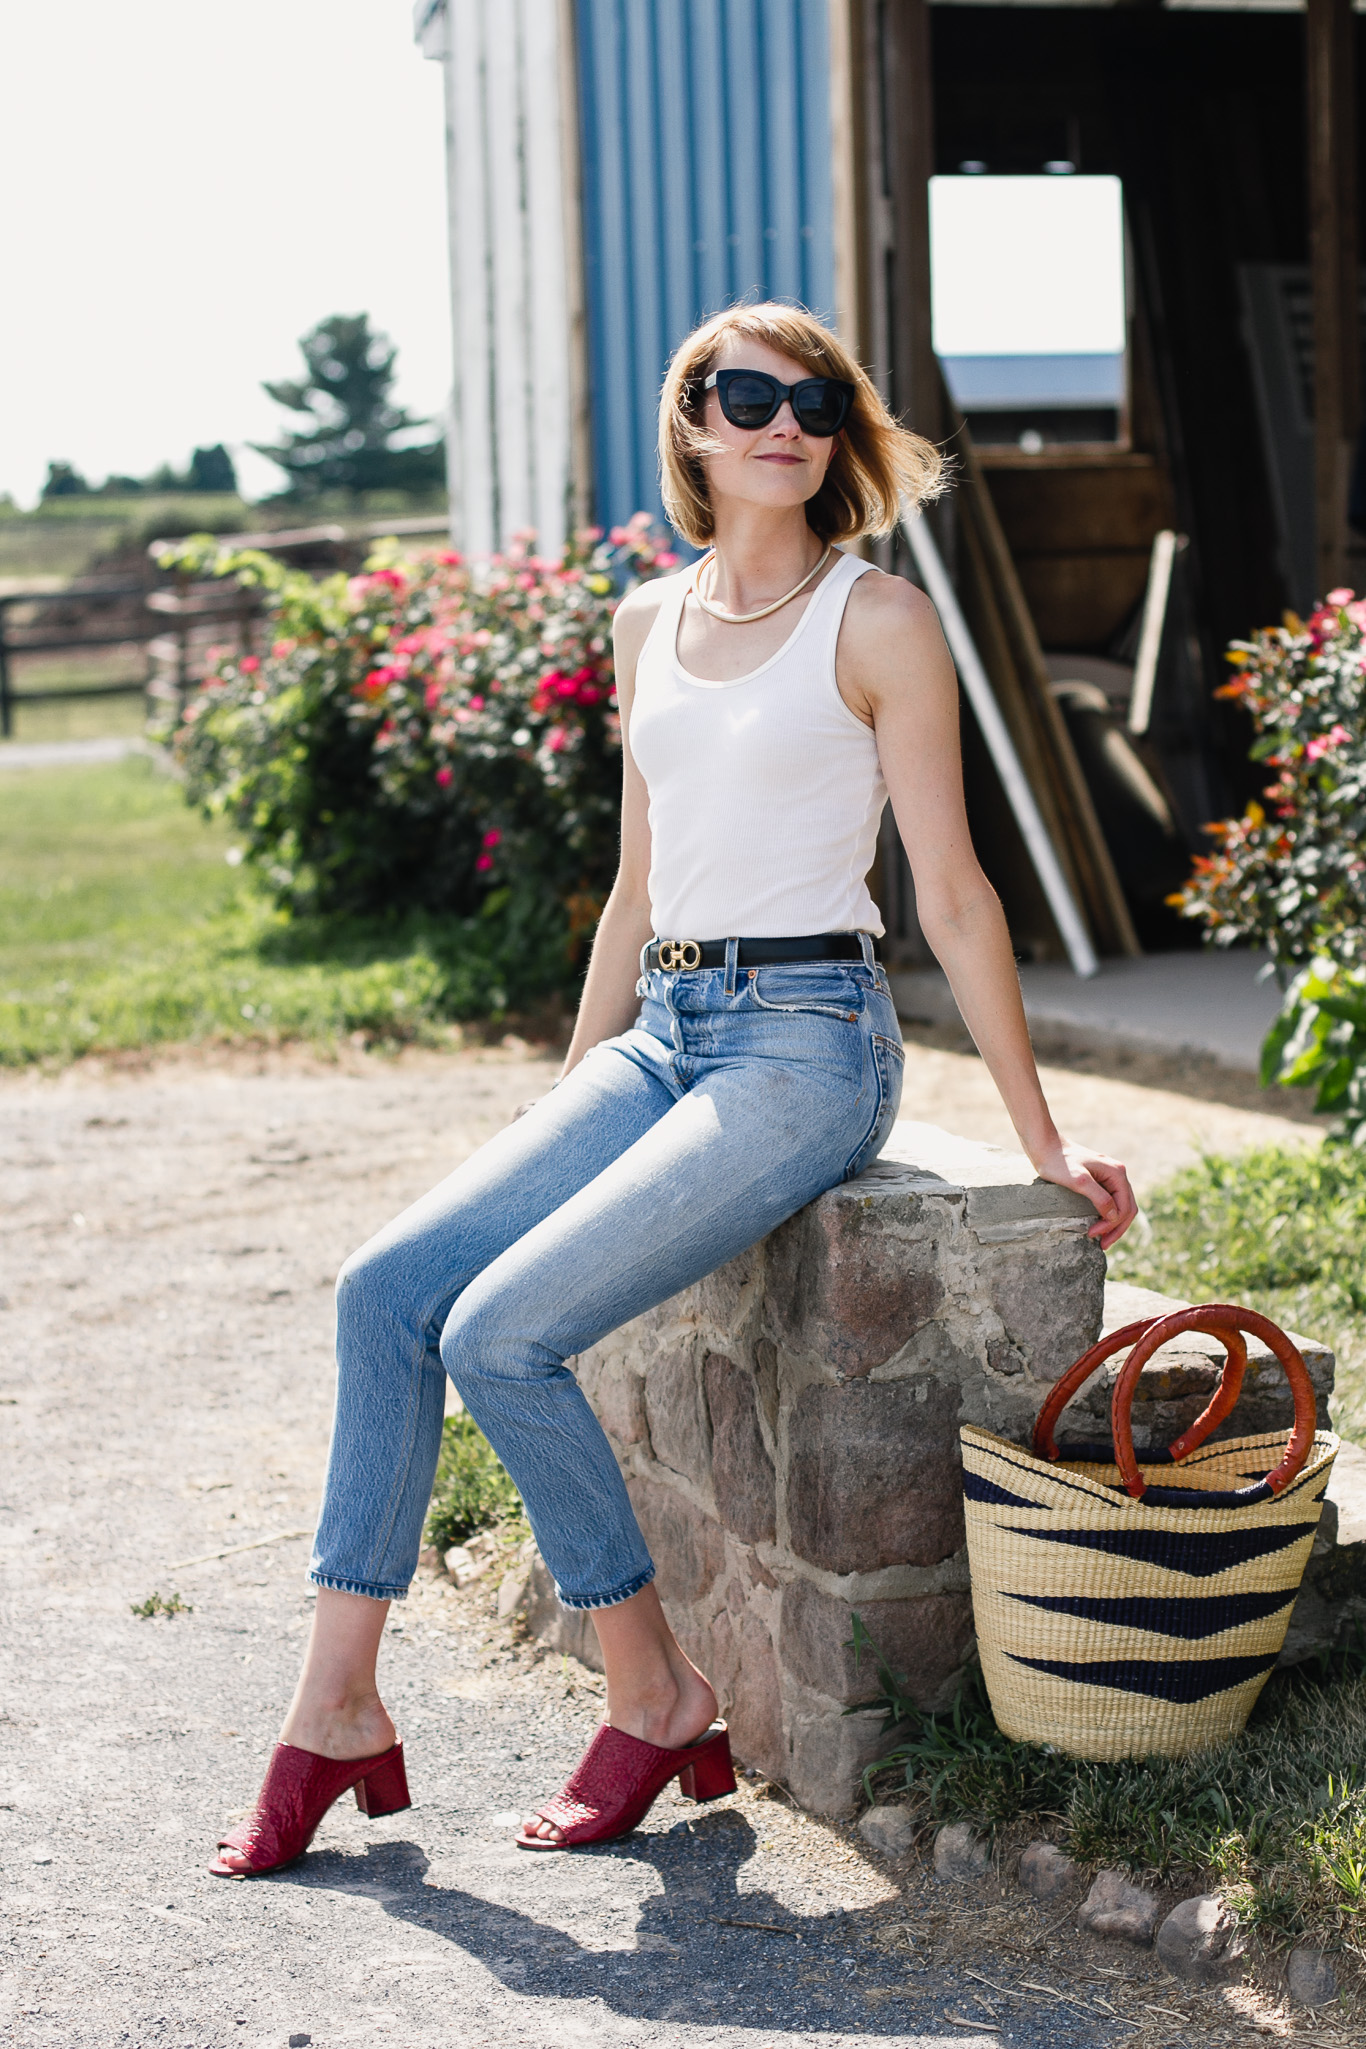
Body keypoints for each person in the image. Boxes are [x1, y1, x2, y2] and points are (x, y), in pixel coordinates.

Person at [210, 302, 1137, 1876]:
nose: (783, 421)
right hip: (664, 1031)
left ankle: (652, 1689)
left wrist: (1041, 1133)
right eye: (746, 395)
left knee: (503, 1334)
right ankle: (336, 1703)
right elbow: (636, 892)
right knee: (385, 1290)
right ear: (692, 425)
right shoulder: (646, 622)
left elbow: (958, 894)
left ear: (834, 436)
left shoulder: (878, 619)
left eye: (813, 401)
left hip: (809, 1039)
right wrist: (569, 1105)